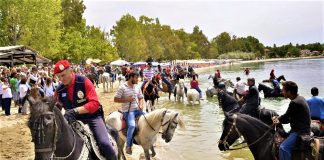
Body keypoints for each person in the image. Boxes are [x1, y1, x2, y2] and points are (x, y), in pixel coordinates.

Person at [54, 60, 117, 159]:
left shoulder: (83, 81)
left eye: (63, 75)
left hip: (92, 118)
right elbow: (55, 106)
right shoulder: (59, 89)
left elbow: (94, 104)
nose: (61, 79)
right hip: (72, 121)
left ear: (71, 71)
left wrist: (75, 111)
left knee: (105, 144)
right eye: (58, 77)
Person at [272, 81, 311, 160]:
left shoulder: (294, 102)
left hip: (300, 131)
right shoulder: (300, 98)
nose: (282, 92)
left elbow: (286, 117)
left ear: (289, 92)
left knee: (283, 148)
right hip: (300, 128)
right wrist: (279, 119)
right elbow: (288, 118)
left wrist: (276, 119)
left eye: (283, 90)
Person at [114, 71, 144, 155]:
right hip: (128, 111)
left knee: (149, 118)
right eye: (136, 78)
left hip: (138, 110)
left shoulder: (137, 86)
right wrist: (127, 99)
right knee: (132, 126)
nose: (137, 80)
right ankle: (128, 146)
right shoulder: (122, 87)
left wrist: (141, 105)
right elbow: (115, 99)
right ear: (131, 77)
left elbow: (141, 97)